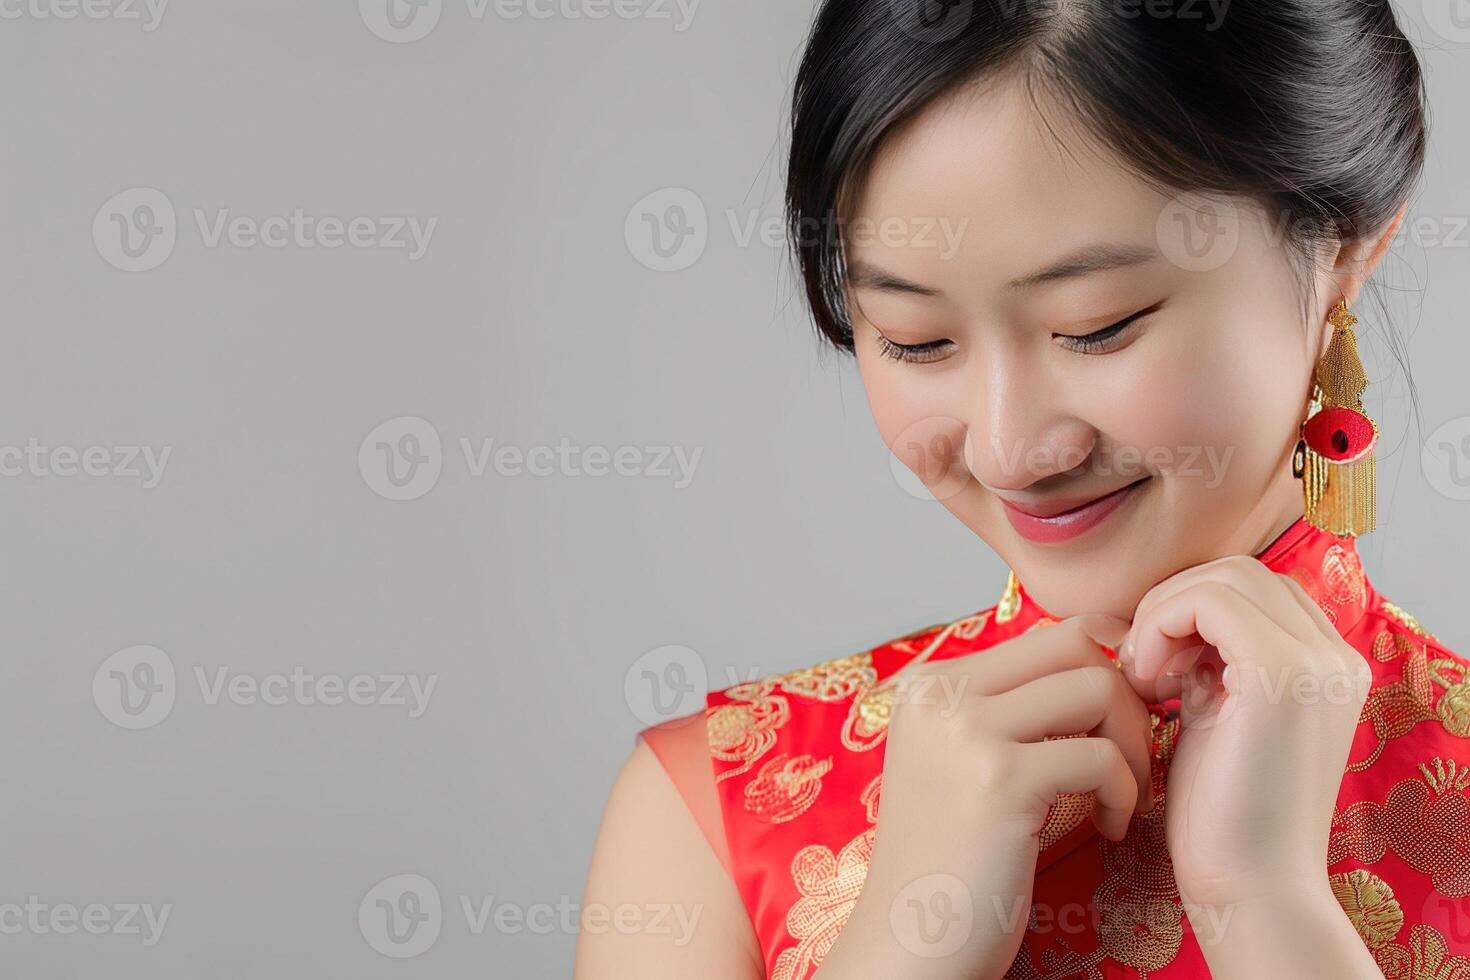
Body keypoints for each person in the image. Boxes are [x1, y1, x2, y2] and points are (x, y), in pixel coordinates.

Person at [576, 1, 1469, 976]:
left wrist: (1266, 908)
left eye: (1097, 323)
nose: (1010, 450)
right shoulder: (712, 810)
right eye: (917, 339)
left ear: (1343, 249)